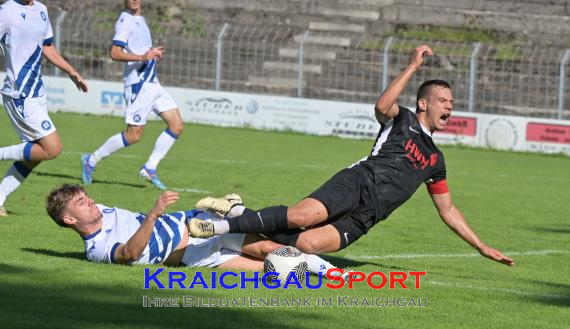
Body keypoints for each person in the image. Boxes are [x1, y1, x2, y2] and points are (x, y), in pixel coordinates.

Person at [189, 45, 515, 267]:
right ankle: (220, 227)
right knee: (301, 217)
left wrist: (481, 246)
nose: (450, 106)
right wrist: (413, 66)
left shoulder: (436, 160)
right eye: (443, 100)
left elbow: (448, 210)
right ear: (424, 104)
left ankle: (239, 211)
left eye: (452, 103)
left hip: (368, 216)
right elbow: (381, 106)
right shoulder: (402, 119)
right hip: (357, 183)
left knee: (306, 246)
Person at [45, 184, 339, 275]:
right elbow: (129, 254)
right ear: (70, 220)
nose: (91, 201)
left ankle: (335, 275)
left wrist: (163, 216)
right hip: (193, 257)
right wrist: (152, 215)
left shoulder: (103, 211)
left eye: (86, 197)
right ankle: (229, 207)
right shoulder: (96, 249)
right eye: (82, 203)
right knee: (270, 268)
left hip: (198, 228)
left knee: (267, 249)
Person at [81, 0, 184, 190]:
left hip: (153, 83)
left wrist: (152, 54)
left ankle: (149, 168)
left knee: (177, 125)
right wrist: (142, 57)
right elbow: (115, 52)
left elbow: (141, 50)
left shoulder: (141, 19)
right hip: (138, 84)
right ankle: (91, 160)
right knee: (134, 135)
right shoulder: (125, 21)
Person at [0, 0, 88, 216]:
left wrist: (71, 71)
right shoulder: (6, 11)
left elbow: (47, 46)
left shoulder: (41, 10)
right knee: (52, 148)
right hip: (19, 93)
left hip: (37, 92)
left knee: (35, 156)